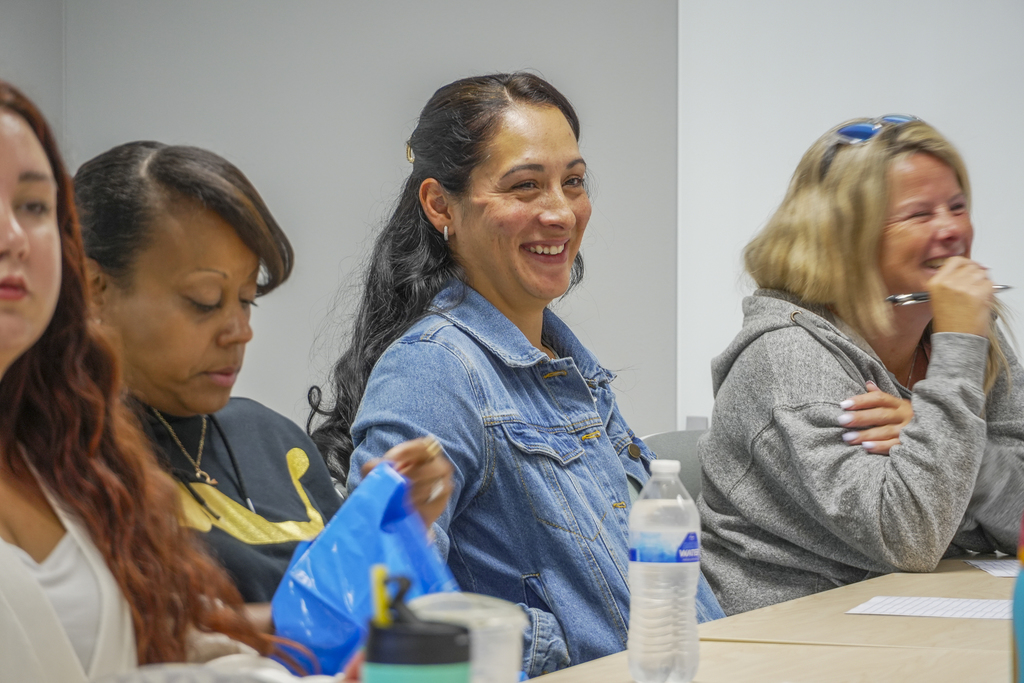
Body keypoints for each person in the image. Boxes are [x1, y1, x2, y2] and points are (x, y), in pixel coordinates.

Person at [308, 72, 725, 677]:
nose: (561, 212)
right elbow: (383, 621)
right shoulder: (433, 371)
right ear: (440, 205)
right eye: (525, 186)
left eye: (573, 182)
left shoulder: (566, 366)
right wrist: (523, 646)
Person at [74, 141, 452, 612]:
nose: (240, 331)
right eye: (204, 302)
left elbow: (360, 610)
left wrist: (396, 534)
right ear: (95, 289)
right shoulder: (66, 460)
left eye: (246, 300)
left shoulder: (274, 439)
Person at [0, 80, 277, 681]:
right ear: (96, 284)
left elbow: (162, 641)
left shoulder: (69, 442)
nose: (13, 237)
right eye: (204, 301)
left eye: (34, 206)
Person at [698, 114, 1024, 615]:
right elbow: (910, 536)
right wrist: (958, 356)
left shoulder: (969, 330)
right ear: (846, 237)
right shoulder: (788, 358)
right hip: (791, 632)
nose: (953, 229)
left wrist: (939, 436)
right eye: (920, 214)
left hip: (914, 615)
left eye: (957, 207)